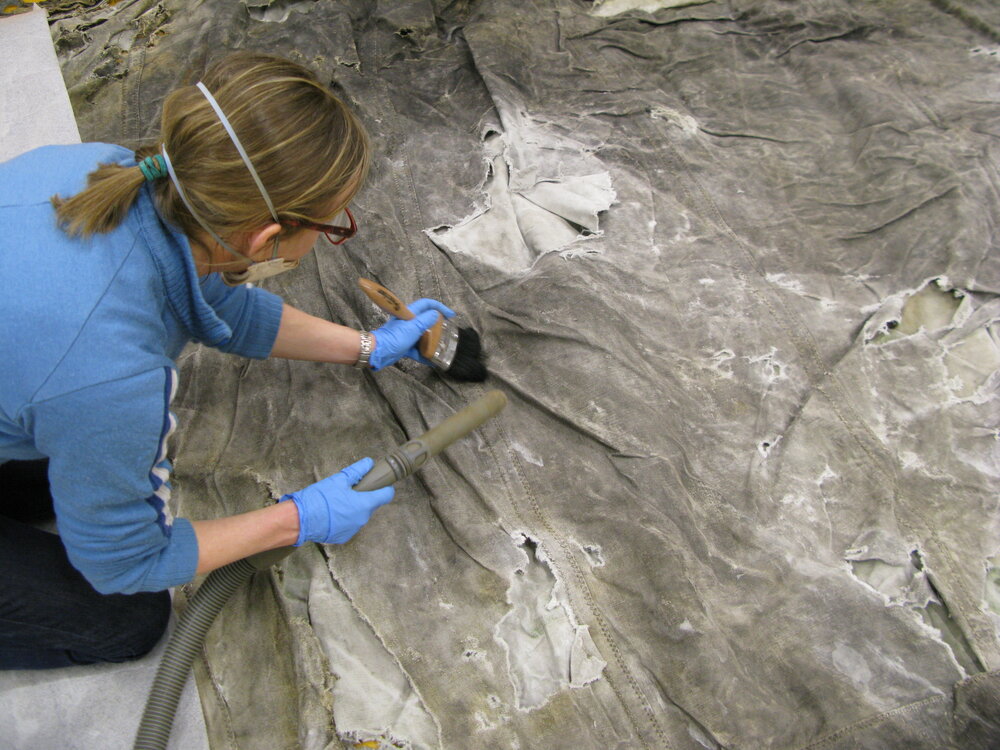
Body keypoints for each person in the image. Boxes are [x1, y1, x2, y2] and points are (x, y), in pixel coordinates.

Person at [0, 52, 455, 669]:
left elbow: (216, 304)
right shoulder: (112, 375)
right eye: (331, 226)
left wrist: (368, 346)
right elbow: (127, 564)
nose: (330, 235)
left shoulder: (101, 168)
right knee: (125, 617)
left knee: (70, 467)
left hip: (44, 369)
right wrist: (294, 519)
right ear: (264, 240)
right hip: (73, 377)